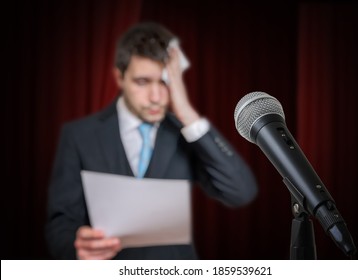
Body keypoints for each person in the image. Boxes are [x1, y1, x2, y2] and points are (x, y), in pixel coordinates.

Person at [45, 21, 258, 260]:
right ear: (119, 77)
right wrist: (76, 247)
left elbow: (240, 191)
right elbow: (60, 222)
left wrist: (187, 113)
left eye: (165, 82)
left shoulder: (186, 133)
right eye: (143, 82)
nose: (156, 97)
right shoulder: (78, 135)